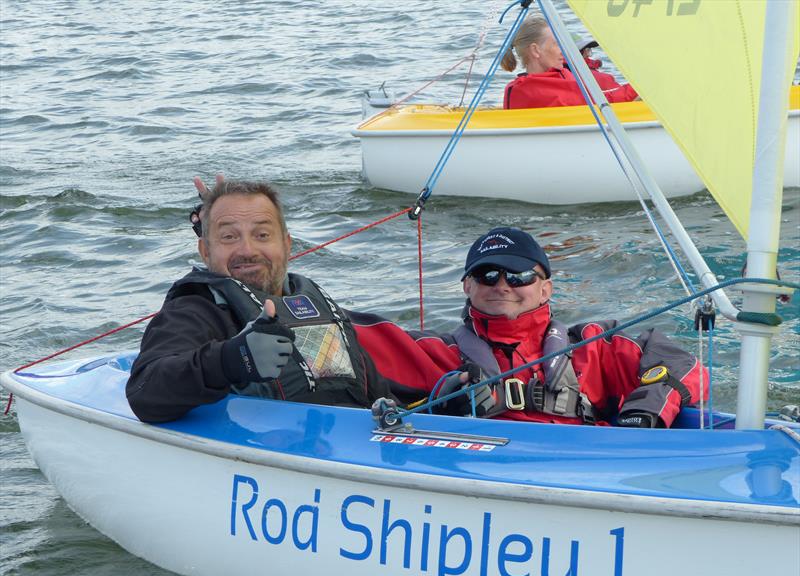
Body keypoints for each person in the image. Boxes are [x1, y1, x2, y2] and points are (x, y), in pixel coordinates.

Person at [352, 227, 707, 428]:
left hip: (583, 475)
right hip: (481, 484)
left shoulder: (593, 346)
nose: (502, 285)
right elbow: (346, 334)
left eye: (519, 275)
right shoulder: (435, 354)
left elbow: (685, 368)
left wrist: (644, 414)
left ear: (545, 288)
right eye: (486, 274)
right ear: (467, 287)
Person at [126, 179, 394, 423]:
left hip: (350, 444)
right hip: (266, 454)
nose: (247, 250)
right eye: (229, 237)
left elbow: (378, 395)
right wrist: (231, 360)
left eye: (262, 235)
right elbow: (145, 392)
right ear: (205, 251)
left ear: (287, 245)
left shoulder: (316, 303)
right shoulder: (196, 309)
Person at [500, 16, 638, 109]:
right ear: (536, 50)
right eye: (556, 44)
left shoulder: (561, 74)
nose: (564, 51)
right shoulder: (528, 89)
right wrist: (643, 88)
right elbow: (601, 102)